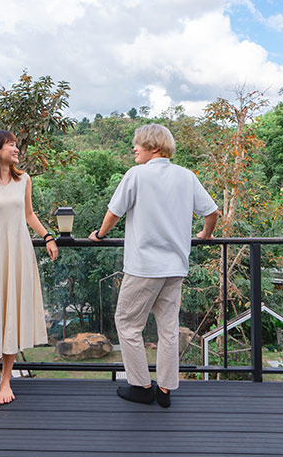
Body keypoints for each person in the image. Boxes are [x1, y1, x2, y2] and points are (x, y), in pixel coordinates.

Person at [90, 123, 218, 408]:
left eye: (139, 144)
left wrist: (99, 234)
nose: (134, 148)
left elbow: (114, 212)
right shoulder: (186, 176)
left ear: (155, 147)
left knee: (127, 324)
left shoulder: (137, 175)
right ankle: (165, 390)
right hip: (175, 267)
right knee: (168, 329)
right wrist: (205, 235)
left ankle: (141, 386)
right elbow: (212, 212)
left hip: (144, 267)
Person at [0, 129, 58, 412]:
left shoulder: (24, 179)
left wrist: (47, 236)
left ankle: (6, 380)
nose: (16, 149)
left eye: (16, 145)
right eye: (11, 145)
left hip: (19, 256)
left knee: (11, 318)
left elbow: (29, 214)